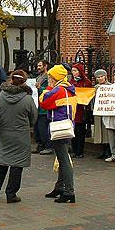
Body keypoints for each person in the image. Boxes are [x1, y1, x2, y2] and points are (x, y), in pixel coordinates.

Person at [0, 70, 37, 203]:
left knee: (2, 163)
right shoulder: (27, 98)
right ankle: (11, 194)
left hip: (4, 133)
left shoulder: (1, 95)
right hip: (21, 135)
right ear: (24, 81)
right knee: (17, 164)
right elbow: (33, 117)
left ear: (11, 80)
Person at [39, 64, 77, 203]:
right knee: (62, 159)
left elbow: (43, 101)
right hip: (67, 127)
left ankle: (69, 192)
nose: (49, 79)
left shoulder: (58, 90)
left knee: (64, 160)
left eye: (50, 77)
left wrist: (48, 88)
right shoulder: (69, 89)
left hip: (59, 128)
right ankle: (60, 187)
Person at [70, 63, 92, 158]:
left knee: (80, 131)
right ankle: (74, 150)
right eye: (73, 70)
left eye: (75, 71)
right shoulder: (70, 82)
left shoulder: (86, 82)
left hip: (81, 109)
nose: (73, 73)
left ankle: (80, 151)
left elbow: (89, 94)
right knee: (73, 131)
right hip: (73, 109)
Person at [32, 60, 53, 155]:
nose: (38, 67)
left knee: (43, 128)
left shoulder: (49, 77)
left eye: (40, 65)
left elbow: (50, 90)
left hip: (44, 107)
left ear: (45, 66)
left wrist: (40, 88)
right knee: (36, 128)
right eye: (38, 65)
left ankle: (48, 146)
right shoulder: (37, 77)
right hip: (37, 105)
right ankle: (40, 145)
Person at [91, 69, 111, 159]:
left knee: (106, 130)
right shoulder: (95, 87)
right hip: (98, 111)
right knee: (100, 131)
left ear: (105, 76)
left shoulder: (110, 86)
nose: (100, 78)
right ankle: (102, 150)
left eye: (102, 76)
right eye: (98, 77)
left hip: (107, 111)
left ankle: (108, 150)